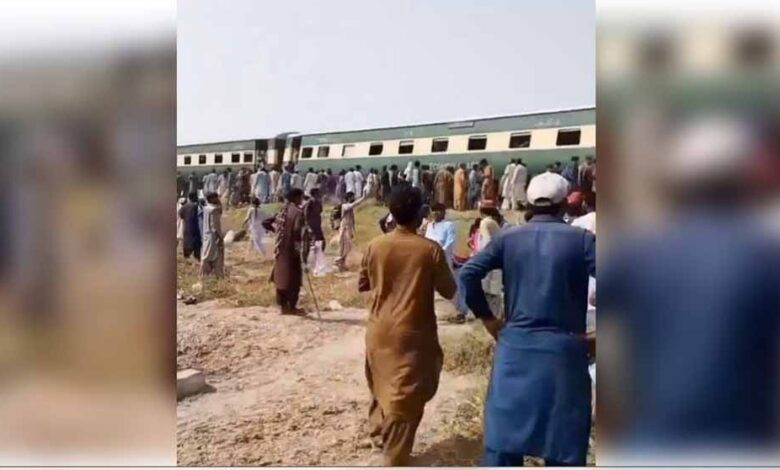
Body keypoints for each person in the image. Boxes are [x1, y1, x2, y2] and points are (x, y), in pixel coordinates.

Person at [460, 172, 595, 466]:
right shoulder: (583, 240)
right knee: (564, 446)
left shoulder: (508, 239)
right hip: (564, 356)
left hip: (515, 351)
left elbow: (468, 273)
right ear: (564, 205)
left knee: (503, 443)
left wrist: (489, 319)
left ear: (530, 205)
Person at [358, 184, 457, 466]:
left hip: (379, 329)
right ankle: (395, 456)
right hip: (413, 333)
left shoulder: (375, 245)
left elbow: (364, 284)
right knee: (406, 393)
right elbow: (449, 290)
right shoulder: (430, 250)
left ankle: (379, 433)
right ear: (420, 215)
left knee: (382, 381)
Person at [424, 203, 466, 322]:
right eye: (433, 211)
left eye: (438, 211)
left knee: (448, 285)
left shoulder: (449, 225)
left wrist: (439, 252)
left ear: (443, 213)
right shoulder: (429, 226)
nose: (435, 214)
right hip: (429, 260)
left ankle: (456, 313)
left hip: (443, 260)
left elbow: (450, 242)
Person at [270, 188, 307, 316]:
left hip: (280, 249)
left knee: (281, 278)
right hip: (291, 250)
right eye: (301, 197)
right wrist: (298, 247)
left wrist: (276, 232)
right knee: (293, 279)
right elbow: (297, 230)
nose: (302, 199)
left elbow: (269, 222)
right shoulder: (298, 212)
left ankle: (282, 306)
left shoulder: (282, 210)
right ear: (296, 198)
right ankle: (292, 307)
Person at [334, 190, 367, 271]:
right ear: (349, 198)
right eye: (352, 197)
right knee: (344, 247)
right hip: (344, 229)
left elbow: (352, 221)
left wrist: (352, 231)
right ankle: (338, 262)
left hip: (348, 229)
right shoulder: (344, 206)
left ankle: (342, 263)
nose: (354, 198)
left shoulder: (349, 206)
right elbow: (353, 205)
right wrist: (363, 197)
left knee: (348, 248)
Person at [200, 192, 225, 278]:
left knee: (206, 255)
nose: (218, 199)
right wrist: (220, 237)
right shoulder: (214, 210)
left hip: (206, 236)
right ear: (211, 199)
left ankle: (204, 275)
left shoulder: (206, 208)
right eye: (216, 197)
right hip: (214, 237)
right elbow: (215, 226)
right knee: (217, 256)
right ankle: (218, 275)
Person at [303, 187, 326, 274]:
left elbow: (320, 211)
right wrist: (308, 227)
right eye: (318, 193)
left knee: (322, 243)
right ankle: (305, 263)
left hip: (317, 226)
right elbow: (305, 215)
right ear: (314, 194)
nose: (320, 195)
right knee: (308, 246)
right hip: (310, 227)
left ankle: (316, 261)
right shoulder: (309, 203)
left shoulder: (318, 203)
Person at [178, 191, 202, 261]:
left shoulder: (184, 207)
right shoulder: (197, 206)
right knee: (196, 249)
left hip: (187, 229)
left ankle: (186, 259)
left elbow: (180, 215)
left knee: (187, 245)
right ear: (195, 197)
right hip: (196, 229)